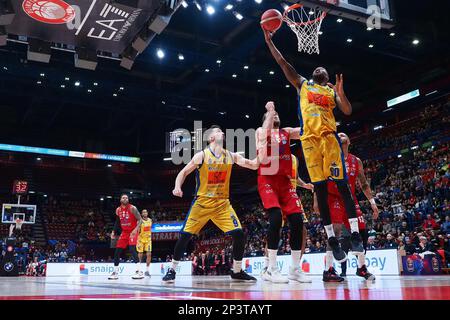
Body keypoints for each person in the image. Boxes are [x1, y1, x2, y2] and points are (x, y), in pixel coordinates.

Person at [262, 26, 364, 264]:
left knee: (343, 188)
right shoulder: (303, 84)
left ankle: (355, 234)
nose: (319, 68)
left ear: (327, 79)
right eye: (317, 68)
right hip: (310, 143)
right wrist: (269, 42)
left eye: (324, 69)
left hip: (330, 141)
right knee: (319, 189)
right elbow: (283, 62)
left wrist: (340, 92)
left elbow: (347, 110)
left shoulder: (330, 93)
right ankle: (331, 240)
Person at [162, 126, 259, 283]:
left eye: (221, 131)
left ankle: (237, 270)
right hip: (202, 202)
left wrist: (261, 147)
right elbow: (183, 172)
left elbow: (253, 165)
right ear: (210, 138)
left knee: (239, 234)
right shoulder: (202, 155)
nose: (222, 132)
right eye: (217, 131)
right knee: (185, 236)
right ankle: (172, 270)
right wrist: (177, 186)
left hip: (222, 203)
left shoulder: (230, 155)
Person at [256, 102, 314, 283]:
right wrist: (270, 112)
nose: (276, 116)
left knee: (297, 222)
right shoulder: (261, 131)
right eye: (273, 116)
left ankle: (295, 269)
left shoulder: (286, 132)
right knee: (274, 220)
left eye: (277, 114)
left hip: (286, 182)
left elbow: (304, 130)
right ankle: (271, 269)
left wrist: (317, 115)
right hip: (267, 180)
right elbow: (264, 133)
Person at [314, 133, 378, 282]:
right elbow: (318, 180)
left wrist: (373, 203)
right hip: (333, 196)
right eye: (339, 134)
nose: (341, 135)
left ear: (349, 141)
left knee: (361, 232)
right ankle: (328, 270)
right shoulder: (329, 157)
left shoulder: (357, 161)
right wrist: (316, 201)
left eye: (344, 134)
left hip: (350, 197)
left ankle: (361, 268)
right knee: (335, 231)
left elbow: (364, 184)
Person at [108, 194, 142, 280]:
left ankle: (139, 272)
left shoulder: (132, 208)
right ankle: (115, 272)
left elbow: (140, 220)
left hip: (133, 231)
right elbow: (117, 222)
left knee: (132, 249)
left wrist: (135, 230)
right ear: (120, 199)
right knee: (117, 251)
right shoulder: (118, 210)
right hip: (124, 232)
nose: (125, 199)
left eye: (126, 198)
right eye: (123, 197)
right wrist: (113, 231)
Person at [136, 209, 153, 277]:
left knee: (149, 254)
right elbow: (138, 230)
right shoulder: (139, 221)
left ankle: (147, 270)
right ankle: (138, 270)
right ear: (142, 214)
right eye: (143, 212)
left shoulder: (150, 220)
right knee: (140, 254)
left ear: (147, 213)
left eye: (146, 212)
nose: (145, 213)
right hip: (141, 240)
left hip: (148, 240)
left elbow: (150, 229)